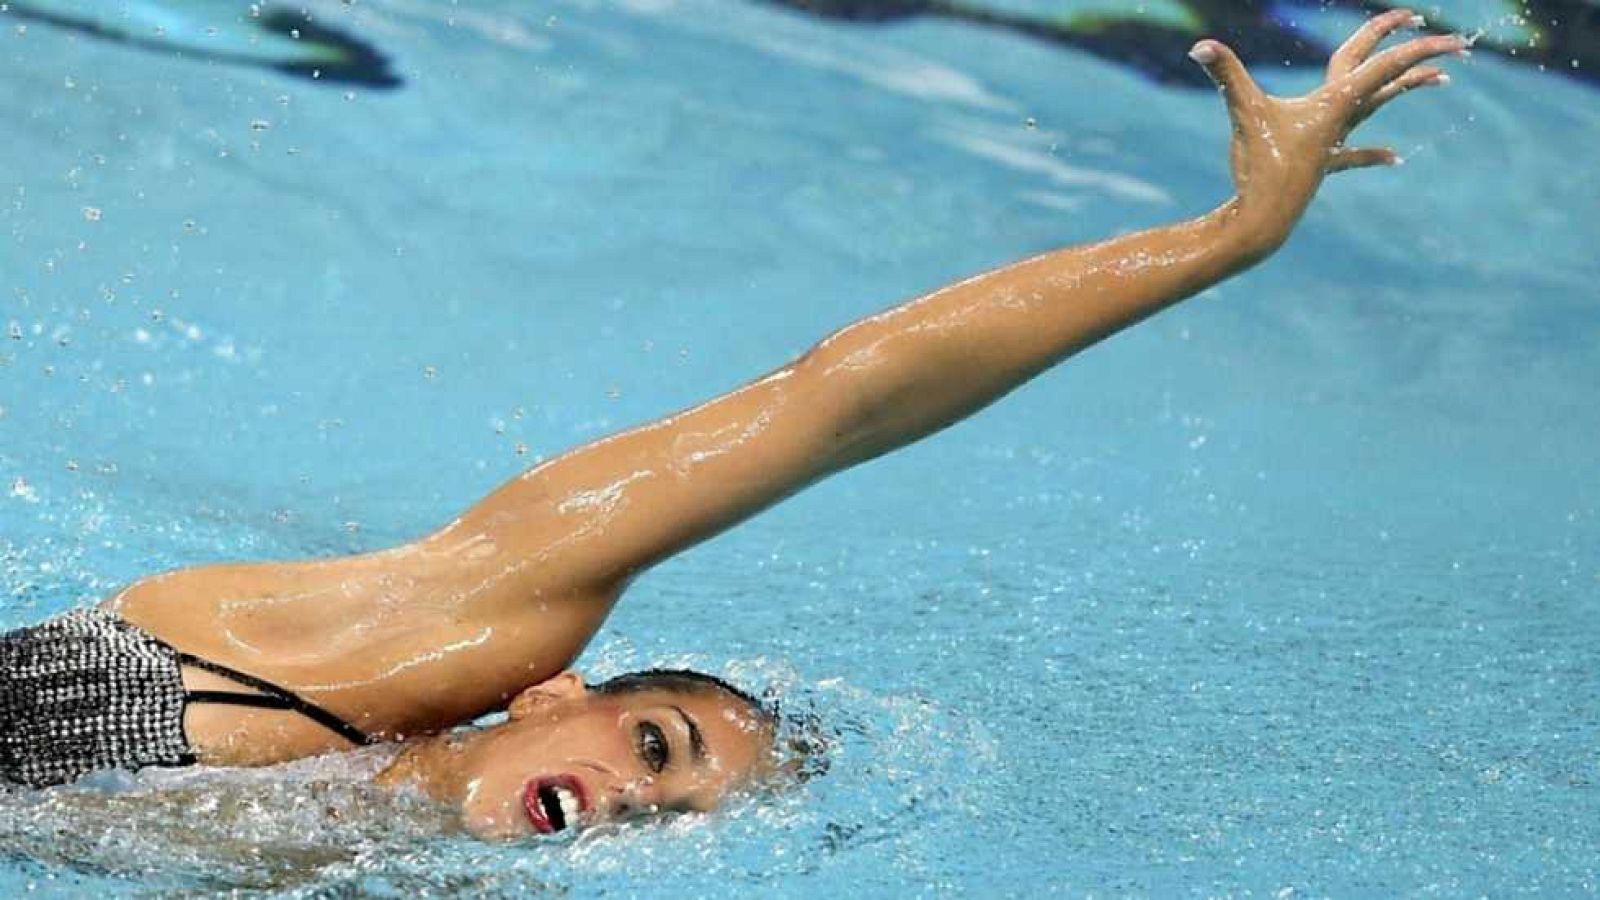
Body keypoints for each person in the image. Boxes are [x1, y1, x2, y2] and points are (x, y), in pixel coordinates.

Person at [0, 11, 1464, 841]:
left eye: (666, 805)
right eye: (656, 741)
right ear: (550, 697)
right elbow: (832, 405)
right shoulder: (428, 640)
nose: (634, 796)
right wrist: (1226, 242)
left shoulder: (368, 860)